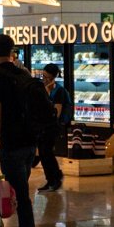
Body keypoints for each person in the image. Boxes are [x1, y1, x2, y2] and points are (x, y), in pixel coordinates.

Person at [0, 33, 50, 227]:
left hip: (11, 145)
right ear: (12, 52)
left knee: (22, 197)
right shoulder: (23, 74)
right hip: (29, 143)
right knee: (22, 195)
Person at [37, 62, 71, 194]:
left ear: (54, 78)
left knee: (47, 152)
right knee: (44, 152)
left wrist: (46, 93)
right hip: (43, 126)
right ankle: (51, 179)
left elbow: (56, 112)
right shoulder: (41, 88)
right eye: (43, 76)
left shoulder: (59, 91)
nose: (44, 80)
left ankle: (55, 177)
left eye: (47, 78)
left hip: (52, 127)